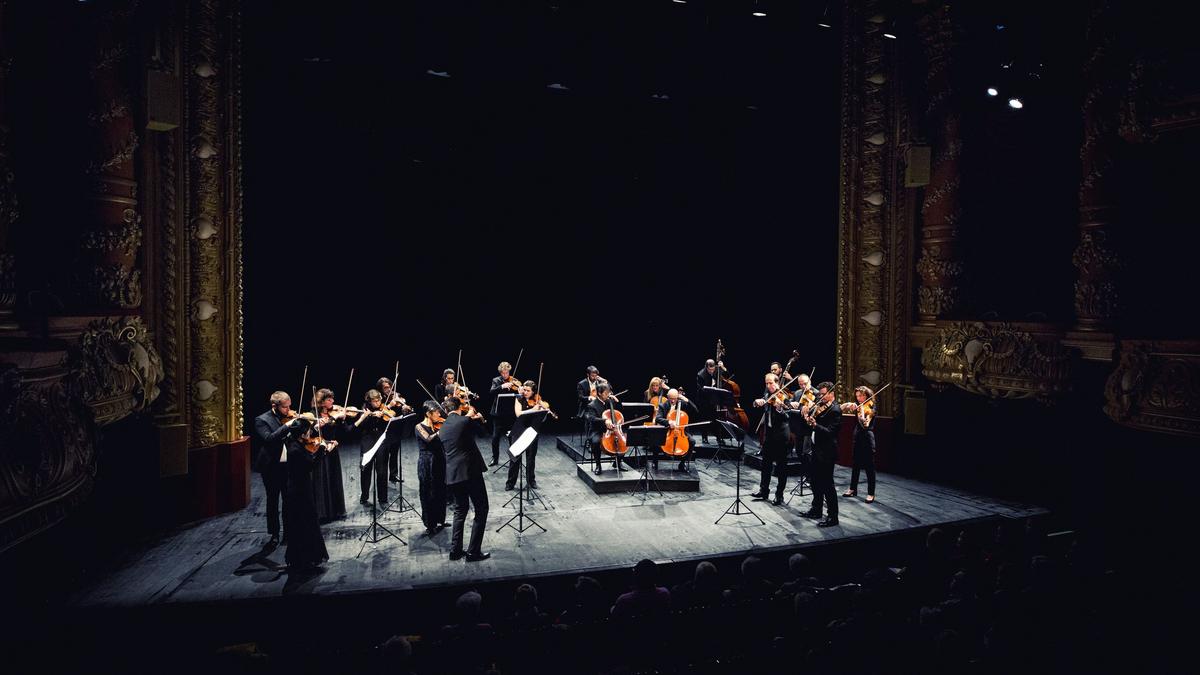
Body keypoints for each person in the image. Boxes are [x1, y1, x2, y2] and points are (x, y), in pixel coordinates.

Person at [252, 391, 305, 546]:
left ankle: (288, 533)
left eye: (289, 406)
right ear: (274, 406)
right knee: (273, 500)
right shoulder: (261, 420)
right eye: (285, 407)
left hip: (287, 463)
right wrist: (288, 425)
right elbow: (269, 438)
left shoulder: (288, 415)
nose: (288, 410)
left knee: (289, 499)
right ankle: (274, 533)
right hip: (271, 466)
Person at [441, 396, 490, 561]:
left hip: (453, 474)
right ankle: (473, 552)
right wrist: (480, 419)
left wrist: (469, 416)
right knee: (481, 509)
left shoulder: (443, 426)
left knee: (460, 510)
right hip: (470, 472)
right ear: (459, 407)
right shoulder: (464, 421)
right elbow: (483, 434)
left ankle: (455, 551)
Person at [284, 415, 334, 570]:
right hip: (299, 491)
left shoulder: (294, 443)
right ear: (302, 434)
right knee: (305, 524)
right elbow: (310, 465)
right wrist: (322, 450)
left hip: (299, 487)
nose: (310, 434)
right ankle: (304, 560)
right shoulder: (295, 450)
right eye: (308, 431)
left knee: (305, 523)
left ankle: (306, 559)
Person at [799, 381, 843, 527]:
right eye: (820, 394)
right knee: (815, 482)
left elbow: (830, 433)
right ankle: (816, 509)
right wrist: (807, 417)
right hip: (816, 449)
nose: (821, 397)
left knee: (827, 484)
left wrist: (815, 425)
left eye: (824, 394)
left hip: (827, 452)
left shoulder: (835, 410)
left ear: (832, 393)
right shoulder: (820, 407)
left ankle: (833, 517)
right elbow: (811, 425)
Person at [305, 388, 347, 523]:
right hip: (319, 450)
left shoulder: (332, 413)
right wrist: (320, 425)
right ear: (322, 403)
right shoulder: (312, 415)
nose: (333, 402)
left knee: (333, 478)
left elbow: (343, 432)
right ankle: (322, 513)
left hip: (332, 450)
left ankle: (336, 511)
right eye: (329, 400)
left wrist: (342, 419)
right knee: (321, 481)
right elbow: (308, 435)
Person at [752, 373, 791, 505]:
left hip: (781, 437)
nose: (768, 386)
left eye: (771, 383)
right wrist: (757, 402)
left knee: (781, 467)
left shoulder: (784, 397)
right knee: (765, 465)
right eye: (767, 383)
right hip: (769, 436)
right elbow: (761, 404)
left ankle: (779, 495)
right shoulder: (768, 394)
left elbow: (788, 415)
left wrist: (780, 409)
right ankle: (764, 491)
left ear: (777, 383)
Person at [414, 400, 449, 536]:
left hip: (440, 459)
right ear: (428, 414)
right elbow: (428, 438)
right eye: (436, 412)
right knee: (428, 493)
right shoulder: (419, 427)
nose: (439, 414)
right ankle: (430, 523)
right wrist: (442, 431)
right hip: (427, 462)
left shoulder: (439, 424)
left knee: (441, 490)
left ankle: (440, 519)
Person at [353, 388, 392, 506]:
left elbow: (390, 421)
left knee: (382, 470)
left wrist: (383, 415)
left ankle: (383, 498)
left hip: (381, 440)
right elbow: (360, 427)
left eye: (379, 400)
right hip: (368, 440)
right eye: (374, 401)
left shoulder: (383, 408)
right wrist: (368, 416)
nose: (377, 403)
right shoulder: (364, 409)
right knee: (366, 469)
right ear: (369, 401)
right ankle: (364, 495)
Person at [508, 380, 547, 489]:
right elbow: (518, 414)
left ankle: (531, 481)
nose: (525, 392)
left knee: (531, 458)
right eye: (524, 390)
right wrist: (532, 410)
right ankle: (510, 483)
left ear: (533, 392)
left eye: (528, 391)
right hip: (519, 431)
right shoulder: (519, 399)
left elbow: (542, 419)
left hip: (532, 432)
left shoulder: (537, 400)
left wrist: (543, 411)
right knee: (515, 458)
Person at [842, 386, 878, 502]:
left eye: (861, 396)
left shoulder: (872, 407)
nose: (859, 398)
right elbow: (843, 409)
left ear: (867, 395)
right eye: (857, 396)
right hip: (857, 437)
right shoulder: (857, 406)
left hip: (867, 437)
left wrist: (863, 416)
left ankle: (871, 493)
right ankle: (853, 489)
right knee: (855, 465)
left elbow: (866, 424)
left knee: (869, 466)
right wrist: (848, 405)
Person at [377, 376, 413, 482]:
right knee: (384, 455)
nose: (389, 390)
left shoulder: (396, 396)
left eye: (390, 387)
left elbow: (400, 410)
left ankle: (393, 474)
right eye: (385, 388)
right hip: (383, 429)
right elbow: (380, 411)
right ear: (381, 389)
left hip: (395, 427)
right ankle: (382, 476)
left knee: (394, 453)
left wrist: (405, 409)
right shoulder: (379, 398)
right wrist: (389, 404)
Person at [585, 381, 626, 473]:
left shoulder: (609, 401)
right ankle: (598, 465)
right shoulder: (592, 405)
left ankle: (618, 463)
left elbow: (618, 412)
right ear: (599, 393)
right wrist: (604, 420)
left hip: (612, 430)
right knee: (595, 442)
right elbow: (591, 419)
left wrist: (617, 401)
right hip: (597, 430)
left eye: (609, 393)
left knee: (623, 441)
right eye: (606, 393)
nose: (608, 395)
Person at [657, 388, 699, 472]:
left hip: (681, 431)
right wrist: (669, 422)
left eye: (674, 398)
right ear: (667, 397)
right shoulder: (662, 406)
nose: (672, 401)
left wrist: (686, 399)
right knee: (655, 439)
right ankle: (655, 462)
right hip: (667, 430)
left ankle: (683, 463)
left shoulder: (682, 404)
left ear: (677, 398)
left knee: (692, 441)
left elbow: (695, 410)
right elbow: (658, 418)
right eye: (671, 398)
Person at [488, 361, 519, 466]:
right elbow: (492, 391)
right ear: (501, 372)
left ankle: (513, 459)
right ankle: (494, 458)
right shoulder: (496, 380)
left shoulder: (513, 381)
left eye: (507, 373)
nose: (506, 375)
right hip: (498, 414)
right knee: (495, 437)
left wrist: (520, 389)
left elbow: (519, 393)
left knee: (511, 436)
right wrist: (502, 386)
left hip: (510, 413)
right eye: (503, 373)